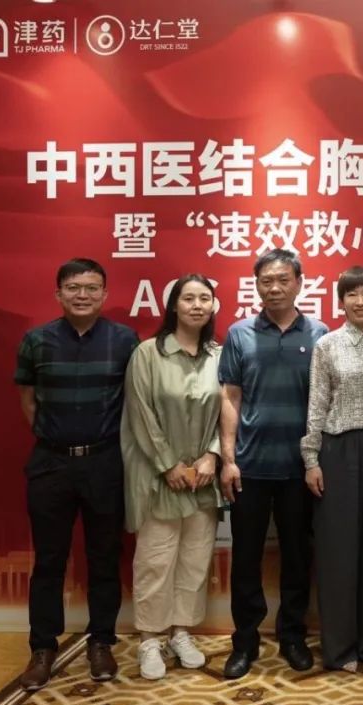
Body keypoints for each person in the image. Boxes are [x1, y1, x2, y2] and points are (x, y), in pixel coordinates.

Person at [14, 259, 139, 691]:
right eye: (73, 287)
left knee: (105, 557)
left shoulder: (125, 340)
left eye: (91, 288)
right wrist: (55, 438)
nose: (82, 295)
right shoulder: (36, 340)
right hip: (51, 464)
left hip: (105, 462)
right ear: (58, 293)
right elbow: (28, 399)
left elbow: (135, 399)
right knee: (49, 560)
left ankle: (101, 642)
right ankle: (42, 648)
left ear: (104, 294)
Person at [218, 249, 328, 679]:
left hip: (300, 469)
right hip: (250, 467)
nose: (275, 288)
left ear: (299, 282)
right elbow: (230, 397)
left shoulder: (319, 334)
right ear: (257, 286)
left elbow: (325, 401)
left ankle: (293, 636)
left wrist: (315, 460)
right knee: (246, 559)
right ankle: (244, 641)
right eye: (267, 281)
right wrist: (229, 459)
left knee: (298, 557)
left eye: (283, 279)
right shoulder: (240, 333)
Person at [301, 266, 363, 672]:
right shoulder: (327, 345)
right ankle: (340, 648)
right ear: (340, 301)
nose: (360, 302)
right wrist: (311, 459)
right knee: (338, 550)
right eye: (352, 295)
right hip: (338, 449)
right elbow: (317, 404)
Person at [121, 275, 221, 680]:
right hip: (159, 477)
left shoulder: (218, 355)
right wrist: (167, 464)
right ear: (174, 305)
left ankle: (181, 632)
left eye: (204, 298)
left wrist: (213, 455)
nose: (197, 305)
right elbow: (140, 413)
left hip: (203, 479)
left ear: (213, 306)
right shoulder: (148, 353)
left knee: (195, 560)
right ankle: (149, 639)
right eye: (188, 298)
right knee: (155, 560)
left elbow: (230, 408)